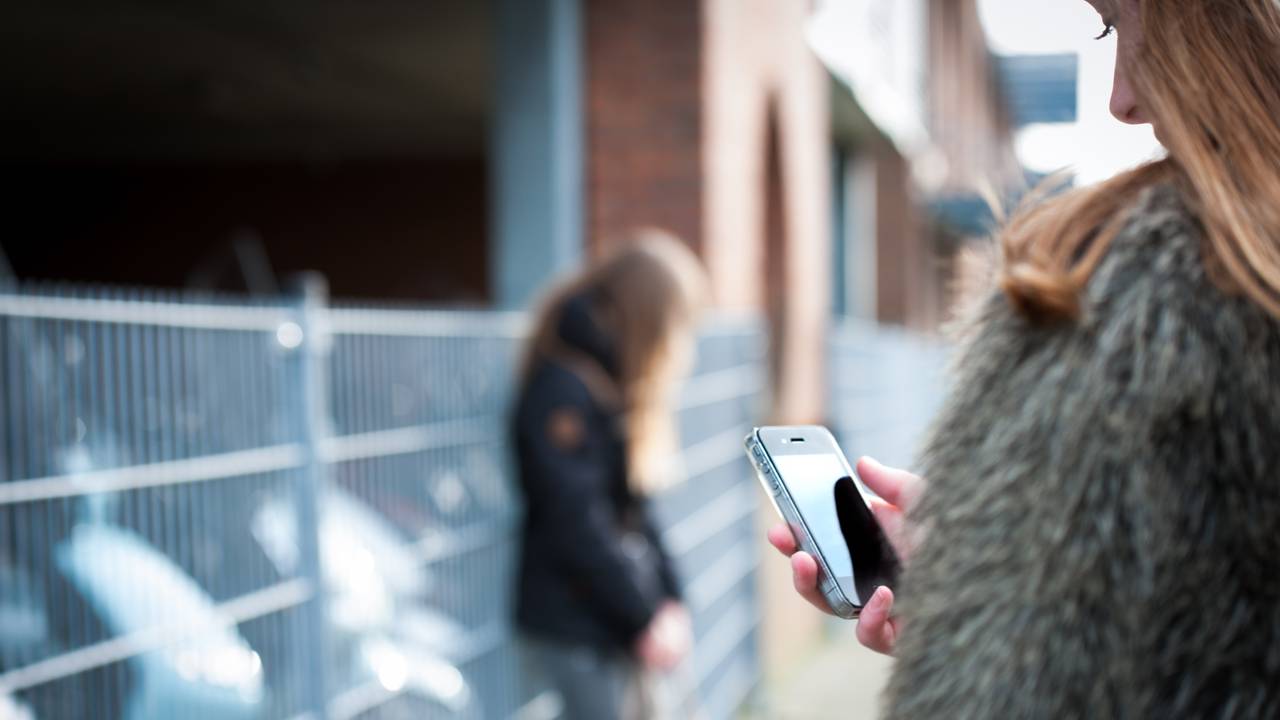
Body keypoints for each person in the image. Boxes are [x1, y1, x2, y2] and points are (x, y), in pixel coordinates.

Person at [771, 0, 1280, 716]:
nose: (1121, 98)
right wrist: (1001, 542)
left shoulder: (1131, 294)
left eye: (1129, 25)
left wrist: (994, 617)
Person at [512, 230, 707, 720]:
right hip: (576, 621)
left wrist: (669, 601)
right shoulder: (565, 389)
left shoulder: (602, 378)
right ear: (648, 315)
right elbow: (577, 520)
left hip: (607, 616)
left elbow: (635, 508)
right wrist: (645, 615)